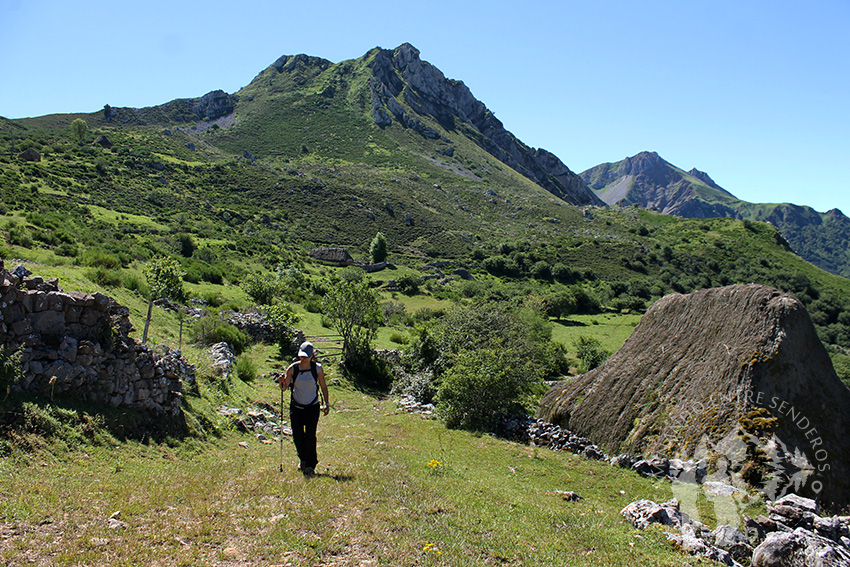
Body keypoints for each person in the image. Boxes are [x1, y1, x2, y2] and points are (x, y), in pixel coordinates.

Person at [278, 341, 330, 475]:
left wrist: (327, 403)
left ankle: (310, 465)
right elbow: (285, 388)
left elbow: (323, 386)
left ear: (312, 356)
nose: (303, 358)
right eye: (302, 356)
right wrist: (281, 382)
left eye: (306, 356)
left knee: (310, 436)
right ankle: (303, 460)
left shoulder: (317, 368)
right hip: (296, 407)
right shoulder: (292, 369)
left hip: (312, 407)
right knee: (298, 436)